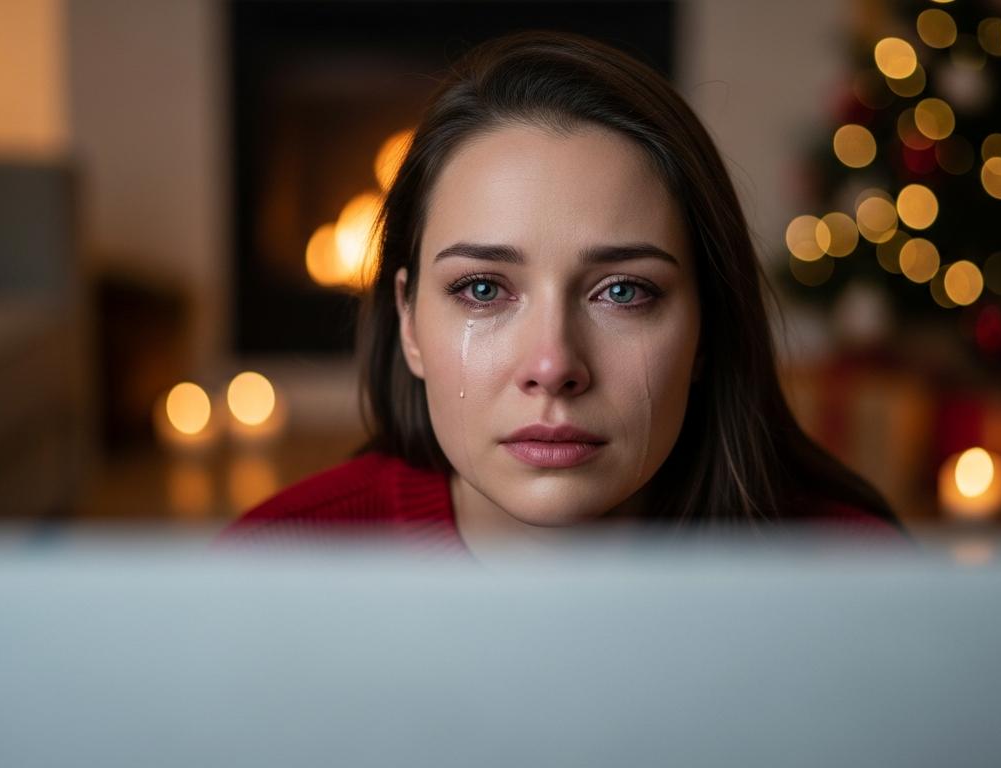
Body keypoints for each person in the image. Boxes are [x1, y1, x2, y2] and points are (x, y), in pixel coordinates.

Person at [220, 30, 904, 559]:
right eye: (482, 288)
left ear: (707, 327)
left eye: (624, 291)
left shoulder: (858, 580)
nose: (552, 364)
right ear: (407, 322)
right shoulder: (271, 568)